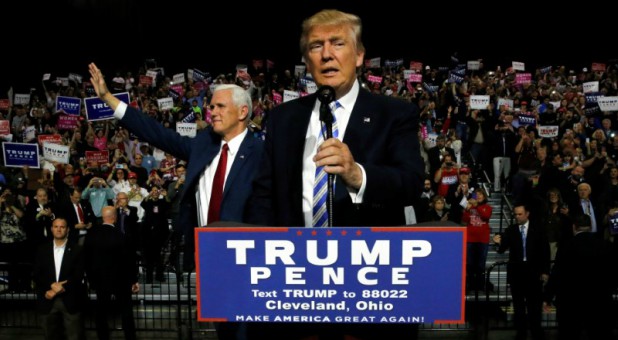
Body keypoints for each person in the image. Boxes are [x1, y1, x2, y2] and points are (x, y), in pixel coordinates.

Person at [245, 9, 424, 340]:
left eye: (337, 43)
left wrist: (357, 175)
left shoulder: (394, 113)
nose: (326, 53)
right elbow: (263, 196)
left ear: (358, 56)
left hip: (369, 289)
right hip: (295, 289)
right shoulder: (283, 118)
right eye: (316, 46)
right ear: (307, 60)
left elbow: (411, 184)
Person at [89, 64, 263, 340]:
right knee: (225, 332)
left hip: (250, 262)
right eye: (211, 106)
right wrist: (109, 99)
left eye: (219, 106)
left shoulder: (263, 152)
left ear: (243, 112)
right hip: (209, 258)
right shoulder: (202, 146)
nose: (212, 112)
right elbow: (156, 133)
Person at [544, 214, 617, 340]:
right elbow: (613, 271)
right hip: (599, 301)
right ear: (591, 227)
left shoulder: (566, 246)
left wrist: (548, 297)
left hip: (571, 303)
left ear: (574, 227)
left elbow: (557, 273)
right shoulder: (605, 245)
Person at [493, 203, 550, 340]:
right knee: (518, 305)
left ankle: (536, 330)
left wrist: (545, 272)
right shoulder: (511, 230)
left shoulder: (538, 229)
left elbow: (545, 251)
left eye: (520, 214)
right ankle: (521, 332)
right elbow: (502, 249)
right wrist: (496, 242)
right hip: (517, 272)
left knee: (535, 305)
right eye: (515, 214)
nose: (517, 217)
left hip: (534, 271)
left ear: (527, 214)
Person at [85, 206, 139, 340]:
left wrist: (91, 279)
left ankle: (103, 337)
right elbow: (130, 260)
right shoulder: (122, 236)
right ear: (114, 218)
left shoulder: (91, 235)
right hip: (122, 280)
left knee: (101, 312)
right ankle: (130, 337)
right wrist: (134, 280)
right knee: (126, 312)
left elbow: (86, 259)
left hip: (100, 280)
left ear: (103, 217)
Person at [32, 218, 87, 340]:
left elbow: (78, 276)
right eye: (56, 226)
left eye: (62, 227)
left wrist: (58, 289)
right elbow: (37, 274)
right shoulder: (42, 250)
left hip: (70, 300)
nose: (58, 229)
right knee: (50, 336)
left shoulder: (78, 250)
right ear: (51, 229)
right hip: (47, 300)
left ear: (67, 230)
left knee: (75, 336)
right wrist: (51, 285)